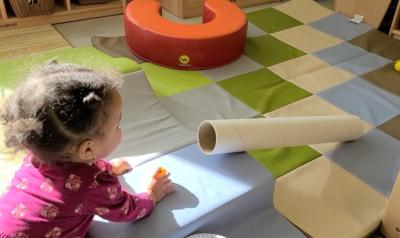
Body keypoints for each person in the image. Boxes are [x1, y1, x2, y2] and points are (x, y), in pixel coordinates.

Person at [0, 61, 175, 238]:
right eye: (117, 125)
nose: (120, 129)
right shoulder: (95, 184)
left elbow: (68, 173)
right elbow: (126, 210)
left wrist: (107, 168)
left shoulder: (37, 153)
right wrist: (152, 195)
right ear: (87, 150)